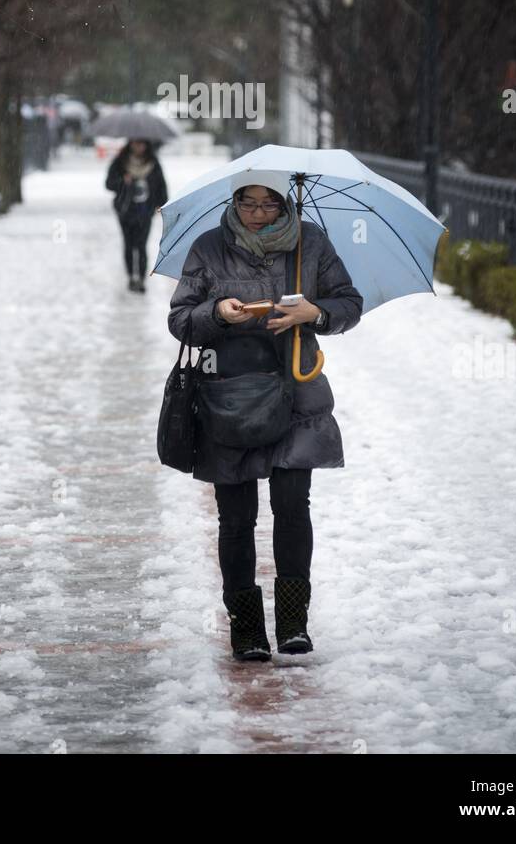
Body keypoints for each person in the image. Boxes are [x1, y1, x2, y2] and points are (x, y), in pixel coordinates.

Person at [168, 169, 363, 662]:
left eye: (268, 205)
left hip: (297, 392)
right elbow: (180, 319)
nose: (258, 214)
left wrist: (312, 314)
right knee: (236, 519)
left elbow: (349, 303)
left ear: (284, 205)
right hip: (228, 398)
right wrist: (219, 314)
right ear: (234, 203)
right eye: (249, 204)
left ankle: (294, 624)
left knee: (294, 509)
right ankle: (247, 631)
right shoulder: (209, 247)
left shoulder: (311, 243)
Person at [105, 139, 168, 292]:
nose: (138, 146)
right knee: (128, 244)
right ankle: (131, 277)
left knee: (141, 245)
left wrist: (162, 204)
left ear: (147, 145)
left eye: (141, 143)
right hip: (125, 210)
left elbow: (161, 185)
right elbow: (109, 184)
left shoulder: (153, 163)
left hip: (145, 210)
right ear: (130, 144)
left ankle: (140, 278)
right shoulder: (120, 162)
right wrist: (122, 181)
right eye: (135, 143)